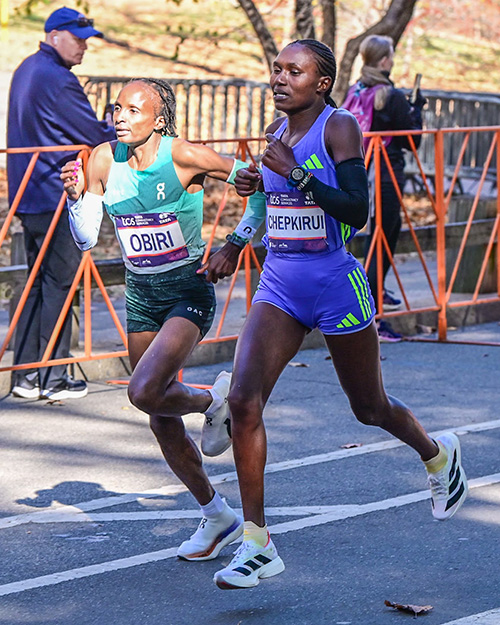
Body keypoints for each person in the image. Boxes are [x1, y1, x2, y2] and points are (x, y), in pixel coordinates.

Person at [202, 39, 468, 590]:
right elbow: (264, 206)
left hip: (334, 282)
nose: (279, 79)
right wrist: (236, 239)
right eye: (276, 69)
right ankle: (257, 543)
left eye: (293, 72)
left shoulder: (338, 126)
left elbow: (357, 209)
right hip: (279, 282)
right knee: (245, 402)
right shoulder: (275, 134)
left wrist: (296, 173)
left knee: (368, 407)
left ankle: (439, 456)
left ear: (320, 83)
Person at [61, 77, 255, 561]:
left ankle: (213, 399)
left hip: (188, 292)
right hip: (141, 295)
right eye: (116, 108)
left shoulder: (186, 155)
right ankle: (216, 514)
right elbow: (86, 239)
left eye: (132, 110)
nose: (119, 117)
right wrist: (76, 196)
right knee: (159, 416)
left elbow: (259, 183)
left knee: (144, 390)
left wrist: (236, 241)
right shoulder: (104, 158)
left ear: (159, 120)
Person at [7, 7, 116, 400]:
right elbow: (92, 133)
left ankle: (25, 375)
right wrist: (109, 123)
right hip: (57, 194)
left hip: (29, 193)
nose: (85, 47)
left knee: (37, 283)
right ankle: (52, 378)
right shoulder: (58, 79)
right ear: (55, 35)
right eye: (79, 39)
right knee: (61, 285)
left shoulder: (27, 69)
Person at [342, 35, 427, 342]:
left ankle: (374, 292)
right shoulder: (389, 95)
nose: (392, 60)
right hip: (386, 173)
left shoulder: (356, 90)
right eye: (390, 56)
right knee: (384, 238)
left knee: (376, 238)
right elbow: (411, 140)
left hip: (357, 172)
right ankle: (372, 315)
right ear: (383, 61)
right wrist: (416, 110)